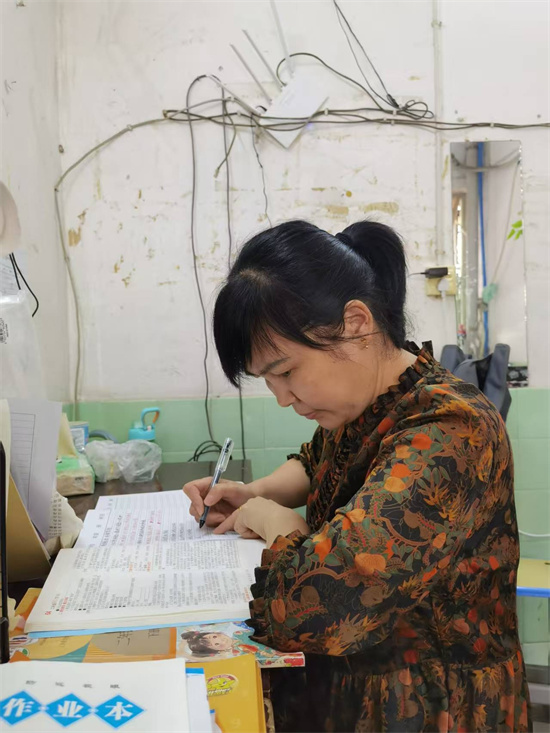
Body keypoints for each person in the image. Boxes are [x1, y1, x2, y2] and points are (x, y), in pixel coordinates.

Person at [184, 220, 530, 732]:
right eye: (267, 380)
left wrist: (278, 522)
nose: (282, 398)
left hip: (432, 703)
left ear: (354, 323)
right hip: (356, 689)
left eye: (286, 371)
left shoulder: (453, 428)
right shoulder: (367, 402)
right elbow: (316, 461)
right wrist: (253, 492)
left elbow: (331, 601)